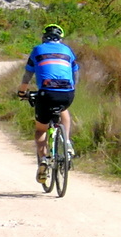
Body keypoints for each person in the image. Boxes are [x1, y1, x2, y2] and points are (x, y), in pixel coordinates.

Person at [18, 24, 77, 186]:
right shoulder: (68, 50)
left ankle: (44, 160)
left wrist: (22, 92)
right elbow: (75, 73)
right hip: (67, 92)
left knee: (40, 130)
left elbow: (27, 75)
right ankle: (67, 143)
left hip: (46, 93)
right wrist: (72, 90)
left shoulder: (38, 50)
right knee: (64, 109)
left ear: (44, 37)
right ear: (61, 38)